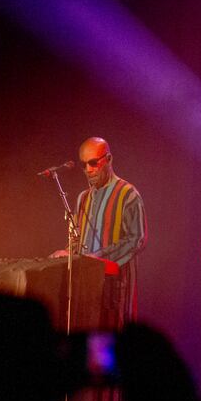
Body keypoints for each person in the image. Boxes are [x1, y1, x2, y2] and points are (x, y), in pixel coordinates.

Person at [53, 136, 147, 328]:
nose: (88, 169)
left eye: (94, 162)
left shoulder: (128, 194)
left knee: (112, 341)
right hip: (86, 284)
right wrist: (67, 253)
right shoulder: (83, 198)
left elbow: (137, 239)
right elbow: (77, 239)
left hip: (115, 285)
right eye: (84, 164)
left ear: (109, 159)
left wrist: (97, 258)